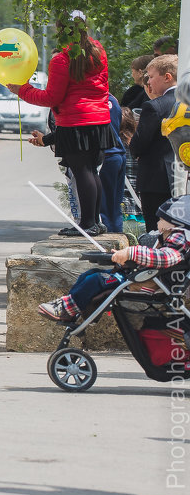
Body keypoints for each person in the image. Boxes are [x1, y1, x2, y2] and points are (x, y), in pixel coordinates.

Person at [9, 11, 111, 236]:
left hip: (75, 121)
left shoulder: (62, 58)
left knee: (81, 171)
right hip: (100, 118)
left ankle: (87, 224)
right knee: (92, 170)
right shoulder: (97, 51)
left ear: (60, 30)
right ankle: (95, 221)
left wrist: (22, 90)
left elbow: (51, 97)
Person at [37, 196, 190, 322]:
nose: (158, 223)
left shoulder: (179, 238)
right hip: (141, 276)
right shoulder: (171, 237)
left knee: (96, 280)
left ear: (173, 223)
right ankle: (72, 309)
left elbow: (165, 258)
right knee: (90, 274)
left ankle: (66, 309)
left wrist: (132, 253)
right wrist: (125, 256)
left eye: (161, 219)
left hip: (148, 283)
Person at [128, 53, 178, 231]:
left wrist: (135, 150)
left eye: (150, 77)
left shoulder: (155, 106)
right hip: (181, 175)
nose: (147, 83)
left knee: (156, 230)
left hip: (157, 179)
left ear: (167, 77)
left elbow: (139, 142)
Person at [99, 94, 126, 234]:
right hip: (118, 153)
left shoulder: (95, 98)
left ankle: (108, 241)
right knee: (115, 207)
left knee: (104, 206)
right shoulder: (113, 99)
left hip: (106, 155)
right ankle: (117, 235)